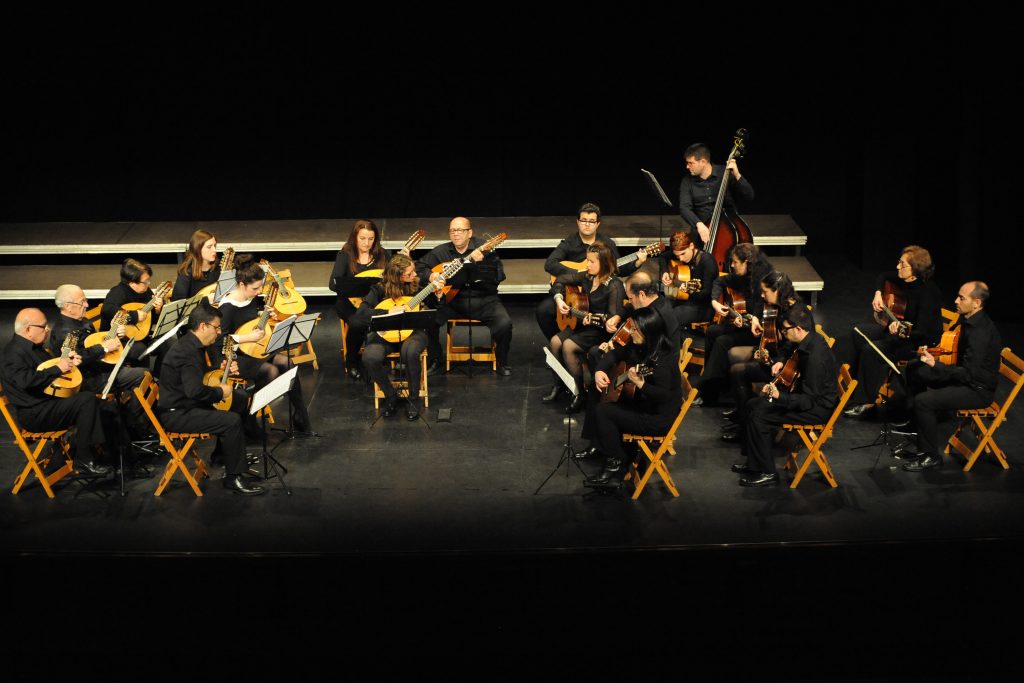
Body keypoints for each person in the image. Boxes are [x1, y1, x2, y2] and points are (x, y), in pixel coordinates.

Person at [159, 299, 265, 495]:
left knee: (239, 398)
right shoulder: (187, 352)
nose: (219, 332)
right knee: (231, 421)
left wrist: (218, 369)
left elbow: (195, 377)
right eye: (216, 328)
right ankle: (234, 477)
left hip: (186, 404)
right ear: (202, 326)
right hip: (178, 413)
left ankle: (224, 456)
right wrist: (219, 392)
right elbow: (195, 391)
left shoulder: (192, 345)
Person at [899, 282, 1002, 472]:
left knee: (923, 401)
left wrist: (937, 366)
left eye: (962, 298)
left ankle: (931, 455)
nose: (955, 301)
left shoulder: (981, 333)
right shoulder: (968, 320)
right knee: (915, 371)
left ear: (977, 303)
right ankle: (920, 433)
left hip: (977, 390)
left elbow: (967, 373)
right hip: (964, 378)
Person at [48, 284, 151, 475]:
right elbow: (72, 359)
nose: (87, 305)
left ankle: (135, 432)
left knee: (142, 375)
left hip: (100, 370)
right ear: (68, 306)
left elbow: (95, 340)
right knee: (141, 376)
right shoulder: (63, 331)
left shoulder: (80, 320)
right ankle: (137, 433)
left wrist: (115, 335)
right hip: (88, 380)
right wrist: (103, 348)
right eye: (82, 302)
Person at [734, 306, 838, 487]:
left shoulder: (816, 359)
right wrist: (782, 361)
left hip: (816, 410)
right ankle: (754, 463)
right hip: (809, 399)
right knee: (752, 404)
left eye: (785, 330)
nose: (783, 333)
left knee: (759, 416)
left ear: (798, 329)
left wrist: (778, 396)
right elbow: (790, 349)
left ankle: (767, 472)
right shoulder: (808, 339)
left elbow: (808, 400)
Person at [1, 308, 111, 476]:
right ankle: (83, 459)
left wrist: (68, 362)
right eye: (43, 326)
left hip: (50, 403)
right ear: (28, 329)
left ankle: (123, 458)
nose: (48, 329)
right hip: (35, 413)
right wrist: (57, 368)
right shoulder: (12, 354)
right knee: (87, 400)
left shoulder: (36, 348)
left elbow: (50, 369)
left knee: (106, 405)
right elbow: (26, 380)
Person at [582, 306, 682, 486]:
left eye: (635, 329)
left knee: (604, 412)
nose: (631, 332)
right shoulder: (642, 345)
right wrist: (599, 371)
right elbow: (614, 354)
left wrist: (640, 383)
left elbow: (663, 396)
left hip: (657, 418)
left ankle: (615, 464)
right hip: (645, 405)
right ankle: (621, 455)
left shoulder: (663, 359)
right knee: (602, 400)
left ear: (647, 330)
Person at [212, 255, 312, 433]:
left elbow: (250, 320)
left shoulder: (251, 298)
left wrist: (266, 316)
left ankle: (300, 414)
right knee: (271, 371)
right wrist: (247, 338)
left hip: (256, 349)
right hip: (234, 356)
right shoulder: (227, 307)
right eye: (255, 288)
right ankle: (249, 417)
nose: (258, 292)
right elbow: (220, 341)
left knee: (287, 363)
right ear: (242, 285)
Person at [843, 245, 943, 418]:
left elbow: (923, 332)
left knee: (870, 350)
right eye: (899, 262)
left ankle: (865, 402)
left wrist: (900, 329)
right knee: (858, 332)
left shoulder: (928, 293)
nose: (898, 267)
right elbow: (883, 277)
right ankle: (852, 385)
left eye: (902, 265)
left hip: (917, 342)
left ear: (915, 269)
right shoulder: (903, 279)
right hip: (900, 333)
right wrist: (878, 294)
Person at [535, 202, 646, 341]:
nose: (587, 224)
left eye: (592, 221)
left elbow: (618, 269)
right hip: (574, 291)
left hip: (598, 295)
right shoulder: (570, 242)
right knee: (543, 311)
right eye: (583, 220)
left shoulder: (607, 244)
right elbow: (550, 264)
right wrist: (577, 272)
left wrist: (637, 262)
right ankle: (557, 341)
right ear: (578, 222)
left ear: (598, 224)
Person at [416, 217, 513, 375]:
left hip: (484, 300)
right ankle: (435, 360)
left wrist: (480, 263)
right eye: (452, 230)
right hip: (452, 301)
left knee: (505, 324)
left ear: (470, 233)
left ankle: (502, 361)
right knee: (427, 321)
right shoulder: (441, 251)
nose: (455, 234)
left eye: (460, 230)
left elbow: (499, 276)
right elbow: (419, 266)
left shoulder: (485, 248)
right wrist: (431, 275)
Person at [721, 271, 806, 442]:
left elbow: (793, 347)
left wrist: (778, 360)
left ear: (778, 291)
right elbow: (770, 329)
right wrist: (755, 320)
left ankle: (746, 425)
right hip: (773, 354)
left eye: (765, 291)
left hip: (787, 368)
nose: (761, 295)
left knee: (738, 370)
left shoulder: (795, 313)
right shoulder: (776, 305)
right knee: (733, 357)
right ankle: (743, 413)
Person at [543, 240, 624, 413]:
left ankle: (580, 393)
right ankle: (560, 385)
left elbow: (612, 319)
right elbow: (561, 279)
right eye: (587, 260)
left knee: (568, 346)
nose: (587, 264)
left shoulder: (614, 285)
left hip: (599, 331)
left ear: (603, 263)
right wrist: (558, 298)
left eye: (591, 261)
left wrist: (596, 320)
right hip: (583, 325)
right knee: (555, 342)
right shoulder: (588, 277)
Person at [691, 243, 773, 406]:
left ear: (747, 262)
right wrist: (715, 301)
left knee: (722, 341)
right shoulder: (744, 277)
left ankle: (708, 393)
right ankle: (718, 384)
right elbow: (719, 281)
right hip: (747, 327)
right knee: (713, 331)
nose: (732, 265)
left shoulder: (765, 282)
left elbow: (768, 314)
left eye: (735, 262)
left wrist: (753, 318)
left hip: (762, 335)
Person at [351, 254, 430, 421]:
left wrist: (438, 295)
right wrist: (387, 312)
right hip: (384, 335)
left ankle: (414, 399)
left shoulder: (418, 285)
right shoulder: (379, 289)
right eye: (409, 273)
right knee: (370, 357)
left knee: (410, 351)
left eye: (413, 271)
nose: (414, 275)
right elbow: (361, 315)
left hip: (413, 332)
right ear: (396, 276)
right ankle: (390, 395)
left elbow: (438, 308)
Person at [328, 219, 390, 381]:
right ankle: (352, 361)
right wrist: (356, 286)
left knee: (387, 315)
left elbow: (392, 279)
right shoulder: (345, 255)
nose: (366, 243)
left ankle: (379, 357)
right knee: (356, 323)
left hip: (373, 302)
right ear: (355, 237)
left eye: (371, 239)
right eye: (362, 238)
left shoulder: (383, 255)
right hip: (348, 303)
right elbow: (333, 284)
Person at [678, 142, 754, 249]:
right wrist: (699, 224)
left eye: (691, 163)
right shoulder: (687, 181)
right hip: (702, 230)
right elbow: (684, 208)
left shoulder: (725, 173)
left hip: (729, 227)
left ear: (703, 162)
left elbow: (749, 196)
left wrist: (737, 175)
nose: (687, 166)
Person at [101, 258, 166, 368]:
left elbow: (149, 320)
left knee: (167, 342)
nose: (147, 284)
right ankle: (143, 380)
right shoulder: (118, 292)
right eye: (145, 282)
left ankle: (159, 377)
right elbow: (107, 310)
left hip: (142, 336)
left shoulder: (145, 291)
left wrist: (157, 310)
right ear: (132, 282)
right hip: (119, 339)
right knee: (140, 349)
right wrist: (134, 316)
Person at [657, 229, 718, 331]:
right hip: (683, 299)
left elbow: (708, 293)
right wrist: (665, 272)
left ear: (691, 246)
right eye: (677, 256)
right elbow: (663, 257)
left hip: (704, 306)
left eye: (683, 254)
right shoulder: (680, 252)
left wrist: (689, 291)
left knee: (670, 318)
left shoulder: (707, 261)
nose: (680, 259)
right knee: (657, 310)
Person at [172, 229, 221, 301]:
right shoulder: (186, 273)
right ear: (198, 249)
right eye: (209, 247)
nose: (214, 250)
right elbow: (178, 304)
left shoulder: (219, 267)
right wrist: (206, 299)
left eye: (214, 246)